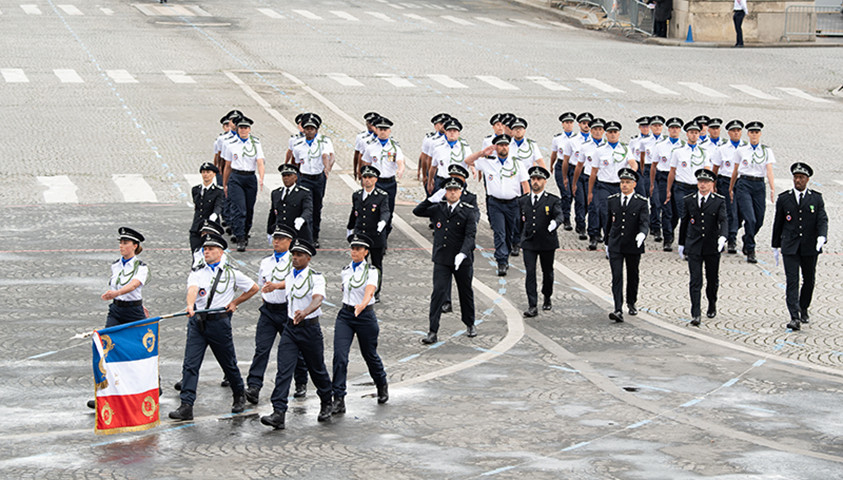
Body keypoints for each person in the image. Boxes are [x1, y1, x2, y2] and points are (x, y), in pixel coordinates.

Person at [169, 234, 259, 421]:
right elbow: (192, 289)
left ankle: (238, 394)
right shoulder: (198, 271)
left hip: (219, 322)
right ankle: (187, 405)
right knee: (190, 364)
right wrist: (190, 305)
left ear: (220, 252)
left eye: (210, 249)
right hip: (198, 321)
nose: (206, 252)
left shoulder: (230, 272)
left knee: (228, 363)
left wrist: (235, 302)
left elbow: (253, 287)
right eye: (205, 249)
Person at [260, 239, 334, 430]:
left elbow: (318, 299)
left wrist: (305, 312)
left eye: (299, 255)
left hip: (309, 328)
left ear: (308, 258)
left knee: (316, 369)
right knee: (284, 370)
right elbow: (287, 283)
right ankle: (278, 412)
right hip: (291, 329)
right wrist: (275, 286)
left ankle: (327, 401)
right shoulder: (291, 275)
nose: (295, 258)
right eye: (293, 254)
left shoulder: (316, 278)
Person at [244, 225, 309, 405]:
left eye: (280, 239)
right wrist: (267, 297)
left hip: (287, 310)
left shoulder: (294, 261)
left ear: (289, 242)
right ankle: (254, 386)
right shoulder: (266, 262)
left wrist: (277, 286)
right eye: (275, 238)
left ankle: (301, 381)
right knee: (261, 348)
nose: (276, 241)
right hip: (268, 310)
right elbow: (261, 283)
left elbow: (296, 283)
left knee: (295, 350)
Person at [412, 177, 478, 344]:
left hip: (461, 259)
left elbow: (470, 236)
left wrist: (463, 253)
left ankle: (470, 323)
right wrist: (430, 198)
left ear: (460, 192)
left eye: (455, 190)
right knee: (438, 292)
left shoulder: (468, 211)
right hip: (442, 258)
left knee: (465, 292)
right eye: (449, 190)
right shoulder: (438, 208)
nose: (452, 192)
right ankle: (433, 330)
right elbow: (417, 211)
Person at [331, 233, 389, 415]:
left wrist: (363, 304)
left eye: (358, 249)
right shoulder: (345, 270)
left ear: (366, 252)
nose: (354, 252)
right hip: (346, 315)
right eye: (353, 248)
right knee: (340, 356)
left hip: (365, 316)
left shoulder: (372, 271)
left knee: (369, 354)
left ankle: (381, 383)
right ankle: (338, 398)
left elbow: (370, 290)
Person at [772, 163, 828, 331]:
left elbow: (822, 219)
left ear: (807, 180)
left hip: (809, 246)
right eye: (796, 177)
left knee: (809, 279)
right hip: (790, 245)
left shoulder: (816, 198)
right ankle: (794, 316)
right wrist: (775, 245)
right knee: (792, 281)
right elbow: (778, 223)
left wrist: (822, 237)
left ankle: (803, 307)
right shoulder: (784, 198)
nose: (798, 180)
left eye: (801, 178)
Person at [465, 134, 529, 276]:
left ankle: (505, 255)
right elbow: (467, 160)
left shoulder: (516, 163)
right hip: (496, 204)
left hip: (513, 203)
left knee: (509, 233)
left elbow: (525, 183)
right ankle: (501, 261)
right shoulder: (488, 162)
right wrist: (483, 153)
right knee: (499, 233)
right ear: (496, 147)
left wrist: (527, 204)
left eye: (506, 145)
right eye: (500, 145)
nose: (504, 147)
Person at [678, 169, 728, 326]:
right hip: (694, 245)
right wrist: (681, 243)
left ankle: (712, 303)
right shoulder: (689, 200)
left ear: (712, 184)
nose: (703, 185)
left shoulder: (719, 201)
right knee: (695, 280)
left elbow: (724, 220)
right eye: (700, 182)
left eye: (706, 182)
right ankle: (696, 312)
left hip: (711, 245)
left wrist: (722, 237)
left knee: (712, 279)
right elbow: (684, 222)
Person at [518, 166, 564, 317]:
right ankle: (532, 305)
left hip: (546, 242)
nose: (535, 182)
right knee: (530, 272)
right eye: (533, 179)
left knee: (547, 272)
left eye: (538, 179)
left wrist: (554, 224)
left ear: (544, 181)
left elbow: (559, 216)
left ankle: (547, 296)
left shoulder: (552, 200)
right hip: (529, 242)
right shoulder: (523, 200)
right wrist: (518, 239)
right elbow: (518, 222)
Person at [605, 169, 649, 323]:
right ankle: (617, 308)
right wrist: (606, 241)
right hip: (616, 243)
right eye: (622, 182)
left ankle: (631, 301)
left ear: (634, 184)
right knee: (617, 276)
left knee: (633, 274)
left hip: (632, 244)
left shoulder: (641, 202)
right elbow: (609, 223)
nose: (624, 185)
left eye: (627, 182)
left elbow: (644, 222)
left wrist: (642, 235)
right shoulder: (613, 200)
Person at [729, 121, 775, 263]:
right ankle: (750, 248)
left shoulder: (766, 151)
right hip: (744, 184)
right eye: (752, 132)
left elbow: (769, 170)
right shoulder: (741, 150)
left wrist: (772, 188)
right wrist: (731, 188)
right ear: (748, 134)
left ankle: (747, 237)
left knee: (759, 220)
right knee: (750, 218)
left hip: (759, 185)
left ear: (760, 134)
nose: (754, 135)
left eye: (757, 132)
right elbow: (736, 170)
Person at [586, 120, 637, 251]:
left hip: (620, 185)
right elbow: (593, 172)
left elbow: (633, 162)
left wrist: (632, 172)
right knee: (605, 213)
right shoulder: (600, 150)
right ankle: (607, 242)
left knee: (619, 213)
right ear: (606, 134)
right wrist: (590, 191)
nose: (613, 135)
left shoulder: (625, 149)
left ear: (619, 134)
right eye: (610, 132)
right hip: (603, 185)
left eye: (615, 132)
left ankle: (616, 240)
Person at [440, 164, 480, 314]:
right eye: (451, 178)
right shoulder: (444, 197)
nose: (453, 183)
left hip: (463, 243)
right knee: (443, 279)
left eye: (457, 180)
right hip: (447, 243)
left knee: (465, 285)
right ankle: (446, 301)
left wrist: (471, 224)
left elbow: (475, 214)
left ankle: (469, 319)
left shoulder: (470, 197)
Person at [666, 121, 714, 245]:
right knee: (684, 215)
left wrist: (710, 188)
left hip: (697, 188)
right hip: (681, 187)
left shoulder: (704, 152)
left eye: (696, 133)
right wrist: (668, 190)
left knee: (696, 216)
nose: (694, 135)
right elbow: (672, 171)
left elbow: (707, 171)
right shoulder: (678, 151)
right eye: (691, 133)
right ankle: (681, 241)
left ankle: (691, 242)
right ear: (687, 134)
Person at [221, 115, 265, 252]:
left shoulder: (256, 143)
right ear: (237, 129)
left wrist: (262, 178)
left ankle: (245, 232)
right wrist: (225, 183)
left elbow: (260, 162)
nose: (243, 130)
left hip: (250, 178)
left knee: (249, 208)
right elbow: (227, 165)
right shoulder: (230, 144)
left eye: (246, 128)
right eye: (241, 127)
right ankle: (239, 237)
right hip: (236, 177)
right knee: (239, 208)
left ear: (250, 129)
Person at [346, 165, 390, 301]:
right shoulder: (357, 195)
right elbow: (355, 213)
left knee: (376, 265)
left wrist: (383, 222)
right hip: (361, 235)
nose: (367, 180)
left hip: (375, 235)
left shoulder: (382, 196)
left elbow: (385, 211)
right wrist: (350, 228)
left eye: (370, 177)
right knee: (359, 263)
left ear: (375, 179)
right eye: (364, 177)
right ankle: (359, 288)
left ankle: (375, 292)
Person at [290, 113, 334, 249]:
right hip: (304, 178)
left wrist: (327, 168)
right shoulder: (298, 144)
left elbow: (327, 156)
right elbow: (295, 162)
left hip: (318, 178)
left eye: (312, 128)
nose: (309, 131)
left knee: (316, 207)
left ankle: (314, 235)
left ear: (317, 129)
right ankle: (303, 235)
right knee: (303, 207)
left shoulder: (324, 141)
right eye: (307, 128)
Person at [362, 116, 405, 248]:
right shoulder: (371, 147)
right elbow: (366, 163)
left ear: (389, 131)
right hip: (376, 182)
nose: (383, 132)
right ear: (376, 130)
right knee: (372, 209)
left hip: (389, 182)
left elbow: (400, 162)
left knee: (388, 210)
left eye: (385, 129)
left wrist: (400, 169)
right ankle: (372, 235)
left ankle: (384, 235)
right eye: (380, 129)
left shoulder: (394, 147)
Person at [651, 117, 684, 251]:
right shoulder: (660, 146)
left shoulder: (683, 146)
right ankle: (668, 238)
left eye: (677, 128)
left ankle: (671, 229)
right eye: (672, 128)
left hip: (679, 180)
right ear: (669, 130)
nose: (674, 130)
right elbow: (654, 166)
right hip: (664, 178)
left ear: (680, 130)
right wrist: (652, 184)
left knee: (676, 212)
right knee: (667, 210)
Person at [573, 118, 607, 250]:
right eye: (595, 129)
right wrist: (574, 182)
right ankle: (592, 236)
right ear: (591, 131)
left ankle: (601, 233)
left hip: (603, 180)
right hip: (588, 178)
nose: (598, 132)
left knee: (604, 209)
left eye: (600, 129)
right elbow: (579, 165)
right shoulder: (585, 146)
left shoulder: (607, 145)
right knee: (592, 207)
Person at [711, 119, 744, 254]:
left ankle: (732, 232)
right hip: (725, 181)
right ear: (729, 133)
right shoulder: (722, 149)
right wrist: (713, 184)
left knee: (741, 212)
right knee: (730, 211)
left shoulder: (745, 148)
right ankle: (730, 238)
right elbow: (715, 168)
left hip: (741, 183)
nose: (736, 133)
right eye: (733, 131)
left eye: (738, 131)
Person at [563, 112, 593, 239]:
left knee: (589, 202)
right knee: (580, 200)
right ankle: (581, 226)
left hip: (591, 173)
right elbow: (565, 160)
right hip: (576, 172)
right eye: (584, 123)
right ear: (579, 124)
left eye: (588, 124)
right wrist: (565, 177)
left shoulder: (595, 141)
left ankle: (587, 222)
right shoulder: (572, 141)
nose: (586, 126)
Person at [267, 163, 313, 243]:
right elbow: (273, 213)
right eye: (284, 176)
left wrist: (302, 218)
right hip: (282, 234)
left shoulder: (303, 193)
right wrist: (269, 231)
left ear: (295, 177)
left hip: (298, 234)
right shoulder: (276, 193)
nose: (286, 178)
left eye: (289, 175)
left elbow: (308, 209)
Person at [549, 111, 578, 231]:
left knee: (575, 194)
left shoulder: (578, 138)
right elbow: (554, 153)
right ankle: (566, 218)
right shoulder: (558, 138)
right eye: (566, 122)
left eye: (571, 122)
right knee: (566, 194)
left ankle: (573, 216)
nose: (569, 125)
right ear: (562, 124)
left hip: (574, 167)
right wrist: (551, 165)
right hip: (561, 166)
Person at [427, 118, 471, 193]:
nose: (452, 133)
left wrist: (473, 169)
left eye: (454, 131)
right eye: (449, 131)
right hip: (442, 181)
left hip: (458, 182)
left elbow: (471, 162)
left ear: (458, 133)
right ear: (446, 133)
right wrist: (430, 181)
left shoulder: (465, 148)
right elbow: (433, 167)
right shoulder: (438, 148)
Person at [189, 162, 224, 252]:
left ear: (214, 174)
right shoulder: (196, 190)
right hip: (197, 227)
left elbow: (218, 205)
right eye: (203, 172)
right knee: (196, 254)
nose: (205, 175)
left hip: (211, 227)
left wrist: (214, 215)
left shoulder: (218, 191)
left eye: (208, 172)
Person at [643, 115, 666, 241]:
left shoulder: (666, 141)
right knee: (653, 200)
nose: (657, 128)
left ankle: (655, 224)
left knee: (659, 201)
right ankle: (655, 226)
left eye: (659, 125)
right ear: (651, 127)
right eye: (655, 125)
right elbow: (641, 158)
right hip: (648, 170)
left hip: (662, 171)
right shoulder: (645, 141)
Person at [419, 113, 450, 194]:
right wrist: (426, 176)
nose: (444, 125)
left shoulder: (453, 138)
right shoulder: (430, 139)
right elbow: (425, 158)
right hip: (434, 171)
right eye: (441, 123)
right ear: (436, 126)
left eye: (446, 123)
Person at [354, 112, 379, 180]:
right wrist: (357, 171)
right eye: (369, 122)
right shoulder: (362, 138)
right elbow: (358, 154)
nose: (370, 125)